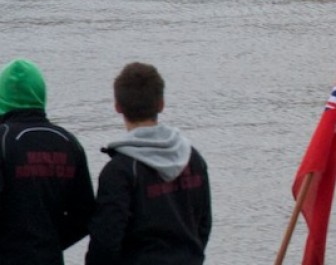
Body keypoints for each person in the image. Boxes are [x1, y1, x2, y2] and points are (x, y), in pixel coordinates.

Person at [86, 62, 211, 265]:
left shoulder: (119, 171)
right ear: (161, 103)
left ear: (117, 106)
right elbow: (203, 224)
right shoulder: (192, 158)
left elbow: (105, 242)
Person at [0, 59, 94, 265]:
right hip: (50, 257)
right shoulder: (69, 143)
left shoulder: (4, 139)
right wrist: (48, 243)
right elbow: (86, 216)